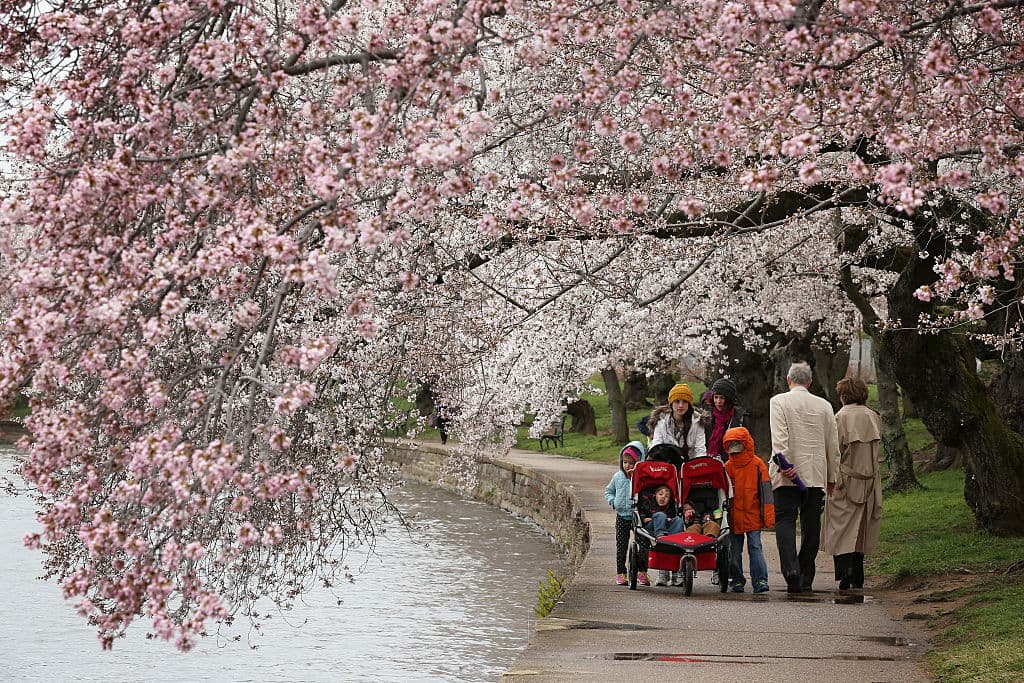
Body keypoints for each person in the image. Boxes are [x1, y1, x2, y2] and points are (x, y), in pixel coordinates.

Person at [769, 361, 840, 593]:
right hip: (815, 473)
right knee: (811, 525)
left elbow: (779, 438)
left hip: (787, 475)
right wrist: (832, 476)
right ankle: (806, 572)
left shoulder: (778, 401)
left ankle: (790, 569)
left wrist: (785, 464)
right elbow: (832, 444)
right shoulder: (824, 405)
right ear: (810, 382)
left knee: (785, 521)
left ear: (788, 380)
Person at [822, 378, 883, 590]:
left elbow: (833, 451)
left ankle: (845, 572)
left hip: (844, 480)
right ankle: (858, 573)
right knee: (861, 529)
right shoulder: (873, 416)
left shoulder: (839, 418)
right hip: (870, 482)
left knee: (840, 529)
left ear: (843, 395)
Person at [723, 427, 774, 594]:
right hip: (734, 517)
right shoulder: (727, 467)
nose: (735, 453)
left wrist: (768, 518)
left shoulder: (758, 465)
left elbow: (766, 496)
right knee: (735, 551)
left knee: (754, 547)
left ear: (747, 445)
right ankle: (737, 580)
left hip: (752, 516)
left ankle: (759, 579)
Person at [605, 441, 648, 586]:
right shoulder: (618, 477)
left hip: (638, 515)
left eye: (631, 463)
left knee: (643, 544)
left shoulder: (641, 477)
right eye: (624, 462)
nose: (627, 466)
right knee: (621, 545)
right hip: (622, 516)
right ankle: (621, 572)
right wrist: (613, 501)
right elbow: (608, 491)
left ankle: (642, 572)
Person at [638, 483, 685, 586]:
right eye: (661, 494)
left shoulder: (670, 507)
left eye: (667, 496)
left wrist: (669, 519)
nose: (663, 497)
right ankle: (661, 536)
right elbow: (643, 516)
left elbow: (672, 518)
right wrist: (647, 519)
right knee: (660, 515)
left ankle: (676, 573)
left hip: (668, 532)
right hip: (652, 531)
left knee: (678, 520)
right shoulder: (648, 503)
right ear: (655, 495)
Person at [648, 383, 708, 460]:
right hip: (667, 465)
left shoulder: (697, 422)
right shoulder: (661, 421)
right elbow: (656, 446)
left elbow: (700, 450)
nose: (680, 405)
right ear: (671, 404)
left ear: (689, 404)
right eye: (677, 401)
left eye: (684, 402)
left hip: (690, 465)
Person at [704, 377, 749, 462]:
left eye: (722, 398)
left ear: (728, 399)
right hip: (710, 463)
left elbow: (746, 445)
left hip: (732, 463)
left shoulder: (740, 418)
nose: (718, 401)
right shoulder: (707, 417)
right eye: (716, 397)